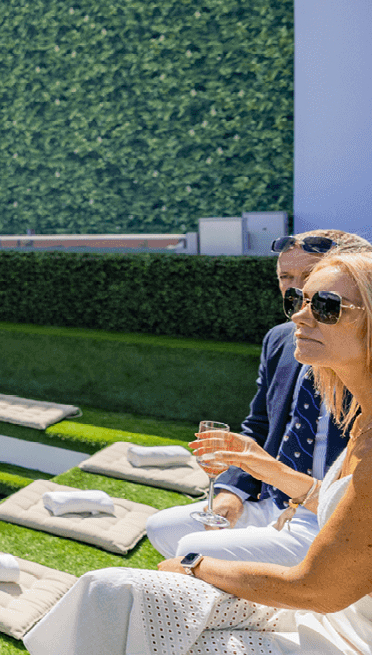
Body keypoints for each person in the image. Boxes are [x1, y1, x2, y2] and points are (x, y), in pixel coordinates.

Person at [24, 247, 372, 654]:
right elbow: (335, 501)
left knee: (165, 594)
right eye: (296, 300)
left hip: (341, 634)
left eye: (327, 307)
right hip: (321, 611)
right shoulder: (360, 420)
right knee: (110, 589)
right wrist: (253, 465)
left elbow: (316, 591)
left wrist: (194, 566)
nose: (298, 315)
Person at [146, 229, 369, 564]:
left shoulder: (357, 359)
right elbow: (260, 424)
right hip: (275, 499)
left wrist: (266, 468)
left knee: (192, 552)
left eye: (308, 277)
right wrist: (231, 492)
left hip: (328, 509)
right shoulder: (280, 340)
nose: (295, 292)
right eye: (286, 277)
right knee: (161, 527)